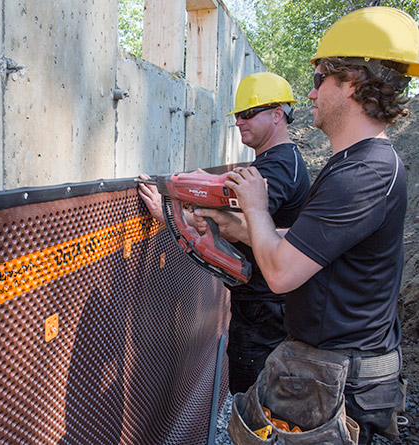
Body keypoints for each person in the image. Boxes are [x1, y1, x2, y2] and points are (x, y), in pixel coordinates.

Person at [203, 7, 418, 444]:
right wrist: (234, 224)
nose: (311, 93)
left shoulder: (364, 173)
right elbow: (303, 246)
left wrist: (256, 209)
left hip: (340, 382)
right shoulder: (353, 165)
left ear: (353, 83)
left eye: (320, 77)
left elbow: (282, 272)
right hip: (330, 369)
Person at [138, 72, 310, 395]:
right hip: (265, 304)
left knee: (254, 401)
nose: (239, 122)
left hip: (266, 309)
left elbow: (233, 221)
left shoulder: (279, 167)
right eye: (237, 116)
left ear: (277, 115)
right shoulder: (279, 161)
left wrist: (170, 214)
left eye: (248, 114)